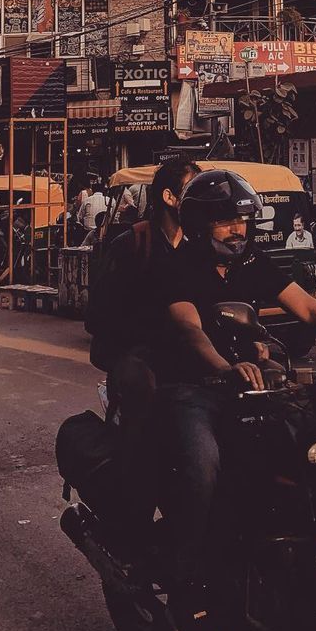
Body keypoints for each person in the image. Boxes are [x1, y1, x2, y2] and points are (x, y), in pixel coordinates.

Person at [155, 169, 316, 631]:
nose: (238, 229)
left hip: (249, 389)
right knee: (205, 467)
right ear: (197, 225)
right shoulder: (175, 266)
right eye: (224, 222)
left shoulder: (251, 261)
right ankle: (185, 577)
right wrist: (224, 365)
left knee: (312, 447)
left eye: (241, 220)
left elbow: (311, 310)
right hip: (192, 387)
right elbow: (189, 329)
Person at [84, 159, 202, 556]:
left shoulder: (198, 246)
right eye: (194, 188)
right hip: (136, 357)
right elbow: (99, 313)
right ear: (170, 197)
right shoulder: (134, 243)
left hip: (188, 357)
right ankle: (131, 526)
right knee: (144, 407)